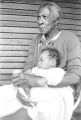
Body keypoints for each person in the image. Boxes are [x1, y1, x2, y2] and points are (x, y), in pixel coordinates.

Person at [2, 1, 81, 120]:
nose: (39, 21)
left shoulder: (70, 38)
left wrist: (40, 81)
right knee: (3, 94)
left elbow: (75, 76)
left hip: (58, 89)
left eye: (44, 17)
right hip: (33, 85)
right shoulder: (36, 41)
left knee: (32, 113)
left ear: (57, 20)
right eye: (38, 17)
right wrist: (23, 88)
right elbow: (28, 69)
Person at [17, 47, 74, 120]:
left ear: (52, 62)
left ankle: (41, 110)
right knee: (25, 90)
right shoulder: (36, 69)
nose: (38, 62)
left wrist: (47, 79)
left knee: (50, 101)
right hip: (37, 90)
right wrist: (29, 73)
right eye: (38, 60)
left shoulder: (57, 71)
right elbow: (30, 76)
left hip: (51, 91)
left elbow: (57, 79)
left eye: (41, 60)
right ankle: (31, 102)